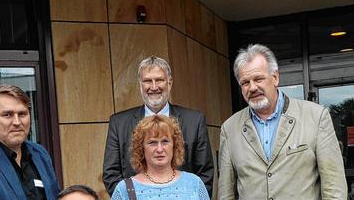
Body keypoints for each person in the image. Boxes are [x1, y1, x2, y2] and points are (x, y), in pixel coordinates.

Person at [218, 44, 347, 199]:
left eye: (258, 78)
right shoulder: (229, 129)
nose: (252, 87)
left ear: (275, 77)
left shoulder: (316, 117)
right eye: (245, 82)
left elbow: (334, 188)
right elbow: (226, 194)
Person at [103, 56, 214, 196]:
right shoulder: (118, 123)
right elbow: (111, 174)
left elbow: (205, 174)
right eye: (147, 81)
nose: (154, 87)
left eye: (159, 80)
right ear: (140, 84)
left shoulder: (195, 121)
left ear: (170, 83)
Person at [111, 115, 210, 199]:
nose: (159, 149)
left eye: (165, 141)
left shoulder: (194, 184)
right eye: (152, 142)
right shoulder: (124, 189)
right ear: (141, 148)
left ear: (175, 145)